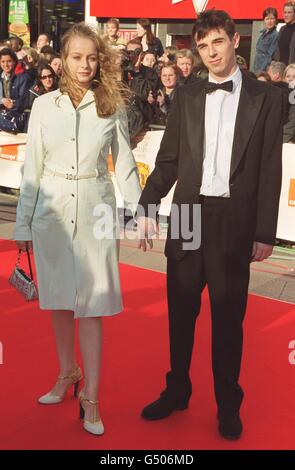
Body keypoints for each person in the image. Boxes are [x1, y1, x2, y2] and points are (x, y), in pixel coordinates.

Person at [137, 9, 283, 440]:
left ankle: (227, 405)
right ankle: (177, 390)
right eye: (202, 46)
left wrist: (264, 231)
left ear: (234, 40)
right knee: (180, 313)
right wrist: (146, 206)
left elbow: (270, 169)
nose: (211, 52)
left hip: (233, 221)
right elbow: (167, 162)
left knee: (227, 320)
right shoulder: (187, 95)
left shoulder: (266, 98)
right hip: (187, 213)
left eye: (217, 42)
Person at [13, 22, 141, 436]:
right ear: (62, 60)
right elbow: (31, 168)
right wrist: (22, 224)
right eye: (76, 57)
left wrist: (141, 213)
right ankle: (67, 373)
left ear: (99, 60)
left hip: (95, 213)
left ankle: (92, 395)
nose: (85, 65)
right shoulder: (44, 106)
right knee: (59, 301)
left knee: (92, 307)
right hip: (51, 212)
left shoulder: (111, 105)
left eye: (91, 57)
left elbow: (123, 165)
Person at [253, 7, 279, 73]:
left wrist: (261, 71)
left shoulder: (275, 35)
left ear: (275, 20)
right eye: (267, 19)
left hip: (264, 70)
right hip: (256, 67)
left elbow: (269, 55)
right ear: (264, 20)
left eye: (272, 18)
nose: (269, 21)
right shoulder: (263, 33)